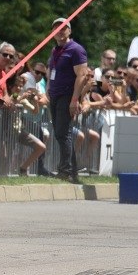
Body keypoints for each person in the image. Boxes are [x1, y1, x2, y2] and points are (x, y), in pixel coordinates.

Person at [47, 17, 89, 183]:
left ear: (69, 31)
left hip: (66, 95)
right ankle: (71, 170)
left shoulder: (76, 50)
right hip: (55, 95)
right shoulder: (55, 50)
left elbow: (82, 75)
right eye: (56, 29)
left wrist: (74, 99)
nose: (60, 32)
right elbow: (51, 71)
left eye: (63, 28)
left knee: (62, 133)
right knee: (60, 133)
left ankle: (66, 170)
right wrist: (48, 89)